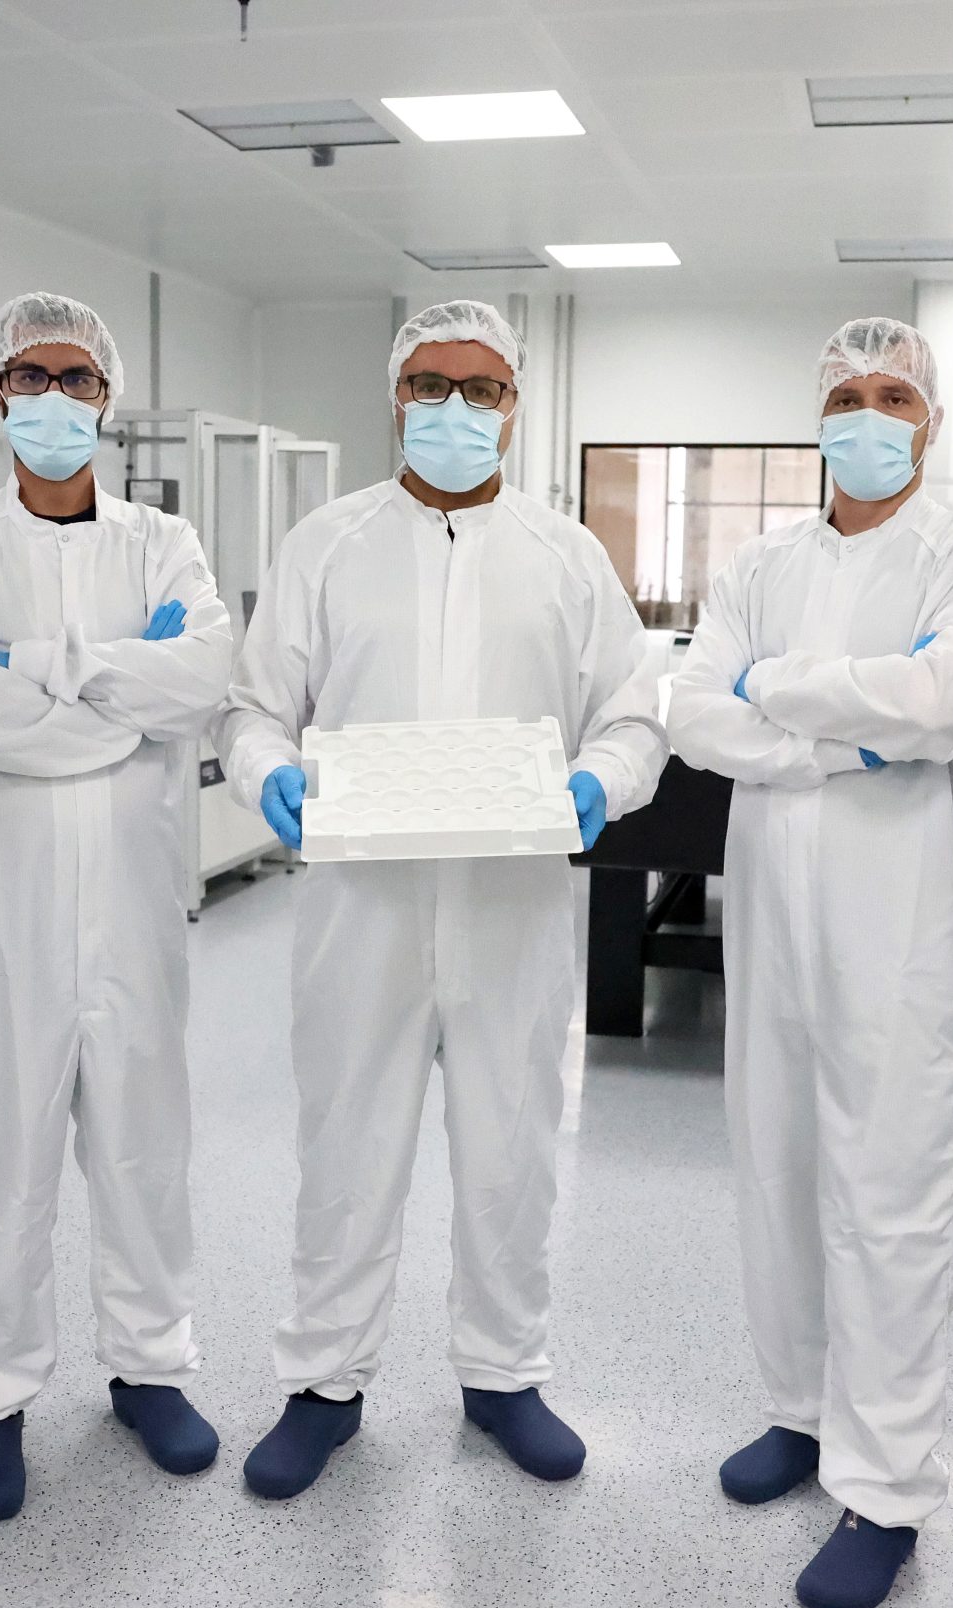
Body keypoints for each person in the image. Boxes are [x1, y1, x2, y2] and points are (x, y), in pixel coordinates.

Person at [219, 299, 667, 1498]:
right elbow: (254, 708)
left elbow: (634, 713)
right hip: (359, 902)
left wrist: (600, 781)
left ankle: (502, 1374)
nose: (454, 408)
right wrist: (267, 775)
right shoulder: (327, 543)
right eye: (430, 384)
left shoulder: (565, 553)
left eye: (482, 388)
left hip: (510, 901)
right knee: (345, 1140)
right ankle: (324, 1384)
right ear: (395, 393)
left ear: (514, 405)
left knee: (511, 1140)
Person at [666, 318, 953, 1608]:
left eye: (893, 397)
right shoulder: (761, 560)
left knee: (889, 1190)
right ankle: (800, 1411)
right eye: (846, 396)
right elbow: (692, 710)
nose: (868, 416)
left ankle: (887, 1484)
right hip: (769, 911)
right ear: (817, 419)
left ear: (930, 421)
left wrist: (776, 691)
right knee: (777, 1161)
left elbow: (939, 704)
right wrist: (841, 737)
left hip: (897, 919)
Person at [0, 293, 234, 1517]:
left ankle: (150, 1369)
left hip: (137, 902)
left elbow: (202, 678)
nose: (54, 397)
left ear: (109, 396)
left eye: (78, 378)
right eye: (32, 376)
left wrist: (33, 669)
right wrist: (117, 698)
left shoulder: (162, 541)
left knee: (145, 1142)